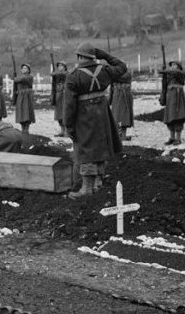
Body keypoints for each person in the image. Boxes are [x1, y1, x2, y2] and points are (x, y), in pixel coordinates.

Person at [63, 43, 126, 199]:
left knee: (86, 150)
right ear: (94, 56)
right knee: (100, 146)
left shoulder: (74, 76)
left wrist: (68, 125)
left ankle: (86, 188)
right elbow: (122, 66)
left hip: (84, 115)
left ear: (79, 57)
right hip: (102, 113)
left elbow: (69, 104)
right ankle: (98, 183)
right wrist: (104, 55)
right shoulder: (105, 70)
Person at [158, 61, 185, 145]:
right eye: (172, 65)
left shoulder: (181, 73)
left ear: (179, 67)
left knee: (178, 117)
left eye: (175, 65)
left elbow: (176, 73)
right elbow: (164, 87)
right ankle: (172, 138)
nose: (173, 66)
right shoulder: (168, 75)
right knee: (170, 117)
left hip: (178, 97)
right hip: (170, 97)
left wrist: (165, 71)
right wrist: (162, 96)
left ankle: (178, 138)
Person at [110, 69, 134, 141]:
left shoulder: (123, 76)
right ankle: (121, 136)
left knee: (119, 121)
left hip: (119, 100)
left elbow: (111, 93)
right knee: (122, 121)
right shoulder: (127, 76)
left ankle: (121, 137)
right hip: (123, 100)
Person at [13, 63, 35, 134]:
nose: (24, 69)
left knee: (27, 113)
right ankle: (23, 129)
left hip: (27, 97)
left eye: (25, 68)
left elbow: (21, 79)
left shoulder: (29, 77)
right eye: (22, 68)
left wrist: (15, 78)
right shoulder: (19, 77)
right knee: (21, 113)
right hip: (20, 97)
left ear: (29, 70)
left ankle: (26, 129)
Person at [51, 62, 68, 137]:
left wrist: (54, 74)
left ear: (65, 67)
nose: (60, 67)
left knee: (65, 113)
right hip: (58, 95)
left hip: (65, 95)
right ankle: (62, 130)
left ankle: (67, 131)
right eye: (59, 66)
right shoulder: (56, 74)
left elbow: (63, 74)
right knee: (58, 114)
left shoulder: (67, 73)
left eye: (61, 66)